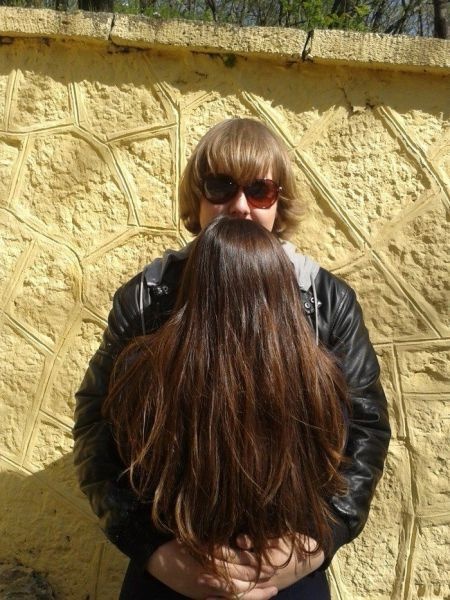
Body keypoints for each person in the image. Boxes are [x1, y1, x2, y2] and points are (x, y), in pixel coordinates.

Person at [73, 118, 391, 599]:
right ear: (197, 199)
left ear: (278, 203)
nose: (240, 206)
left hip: (289, 571)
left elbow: (366, 427)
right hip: (169, 570)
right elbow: (97, 421)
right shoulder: (147, 299)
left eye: (260, 190)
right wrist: (154, 550)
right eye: (221, 186)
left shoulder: (327, 301)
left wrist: (312, 543)